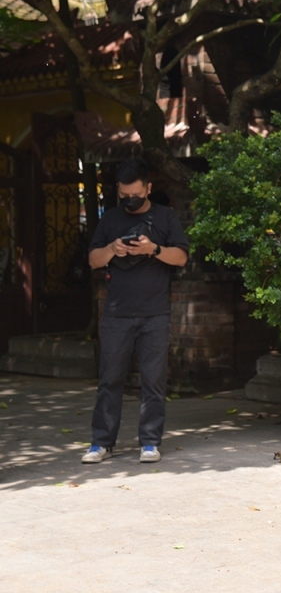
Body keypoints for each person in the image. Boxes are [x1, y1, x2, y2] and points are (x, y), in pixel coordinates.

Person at [82, 159, 189, 464]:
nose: (130, 199)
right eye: (124, 194)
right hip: (117, 314)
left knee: (153, 381)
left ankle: (150, 442)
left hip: (154, 313)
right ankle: (101, 443)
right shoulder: (111, 219)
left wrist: (152, 249)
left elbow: (180, 257)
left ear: (148, 189)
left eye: (136, 194)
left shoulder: (166, 217)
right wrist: (112, 249)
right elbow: (93, 259)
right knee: (110, 380)